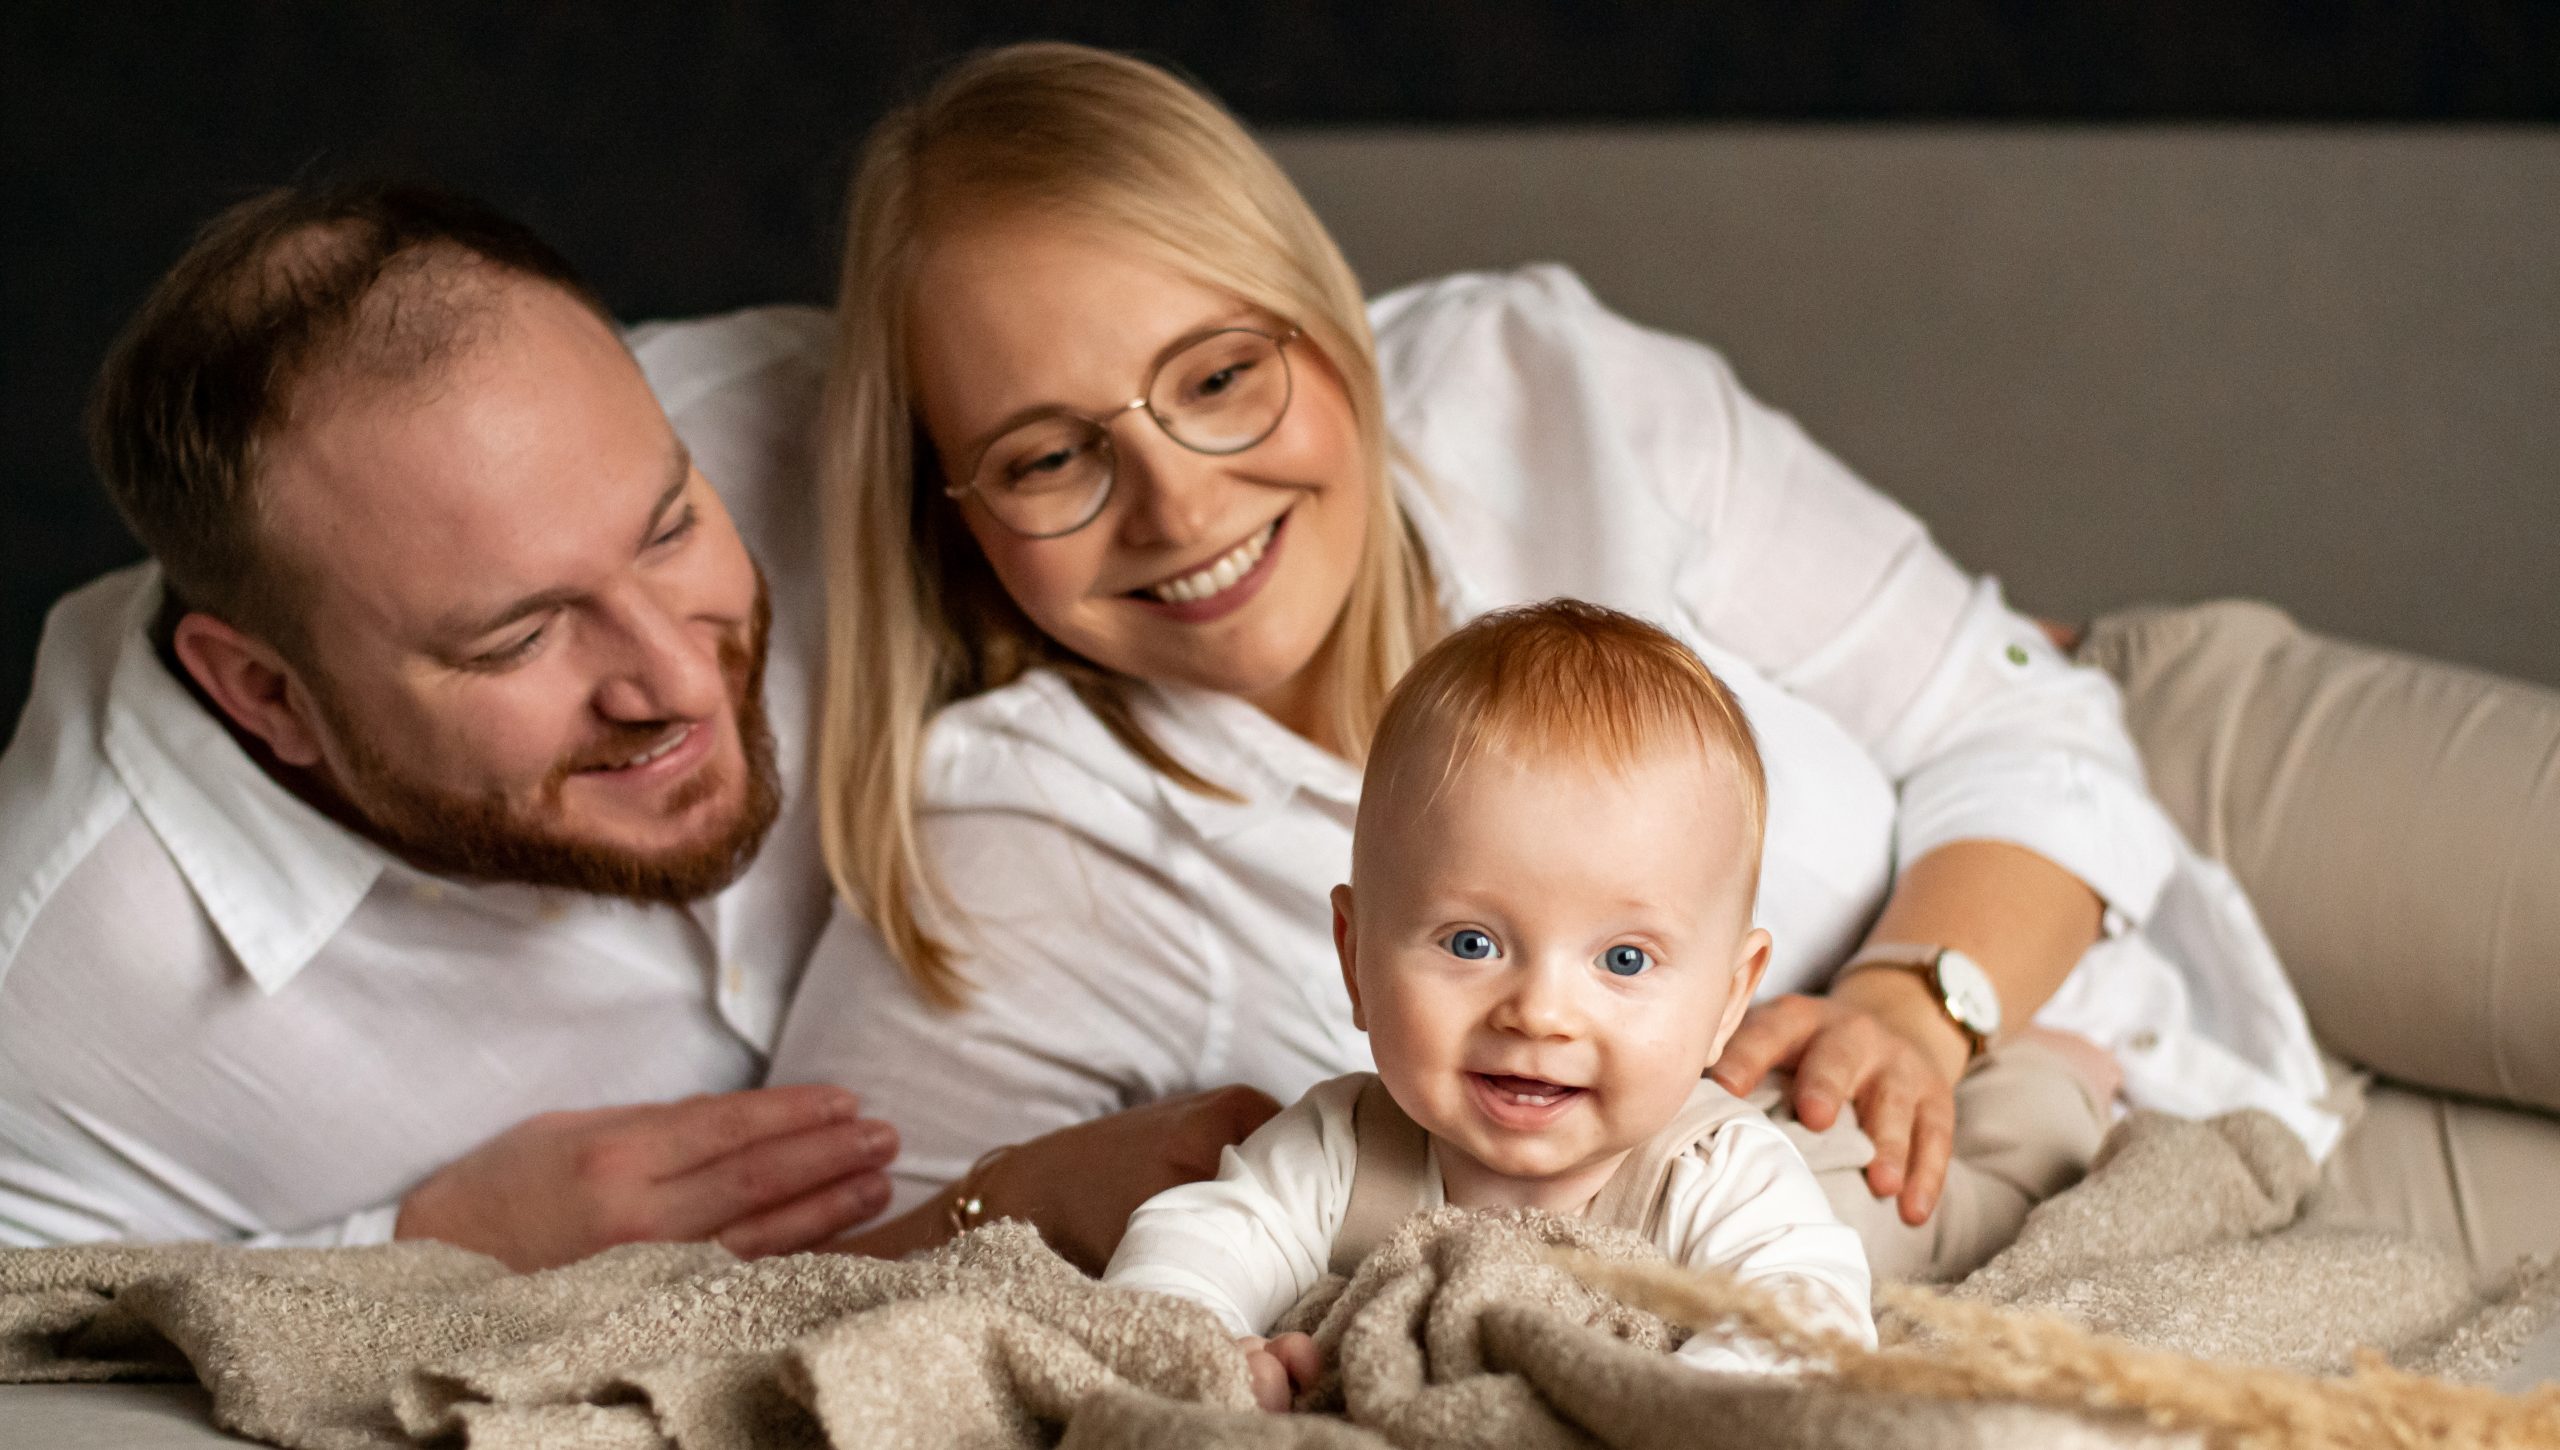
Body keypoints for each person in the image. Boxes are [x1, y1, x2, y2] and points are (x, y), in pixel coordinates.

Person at [768, 40, 2355, 1281]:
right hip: (2116, 1151)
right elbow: (821, 1281)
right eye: (1049, 457)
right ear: (952, 507)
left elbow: (2031, 721)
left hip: (2179, 794)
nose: (1179, 503)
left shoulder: (1528, 382)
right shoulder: (1019, 851)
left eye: (1223, 374)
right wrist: (1037, 1192)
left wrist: (1912, 1001)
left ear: (1321, 318)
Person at [0, 181, 1270, 1271]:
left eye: (669, 529)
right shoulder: (51, 982)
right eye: (518, 637)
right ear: (264, 693)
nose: (675, 680)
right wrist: (422, 1247)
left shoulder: (806, 416)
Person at [1104, 602, 1878, 1409]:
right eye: (1471, 944)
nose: (1539, 1014)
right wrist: (1205, 1349)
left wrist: (1661, 1416)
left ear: (1727, 1000)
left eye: (1624, 959)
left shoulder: (1717, 1173)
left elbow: (1803, 1328)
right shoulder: (1341, 1148)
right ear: (1355, 958)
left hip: (1849, 1152)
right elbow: (1191, 1247)